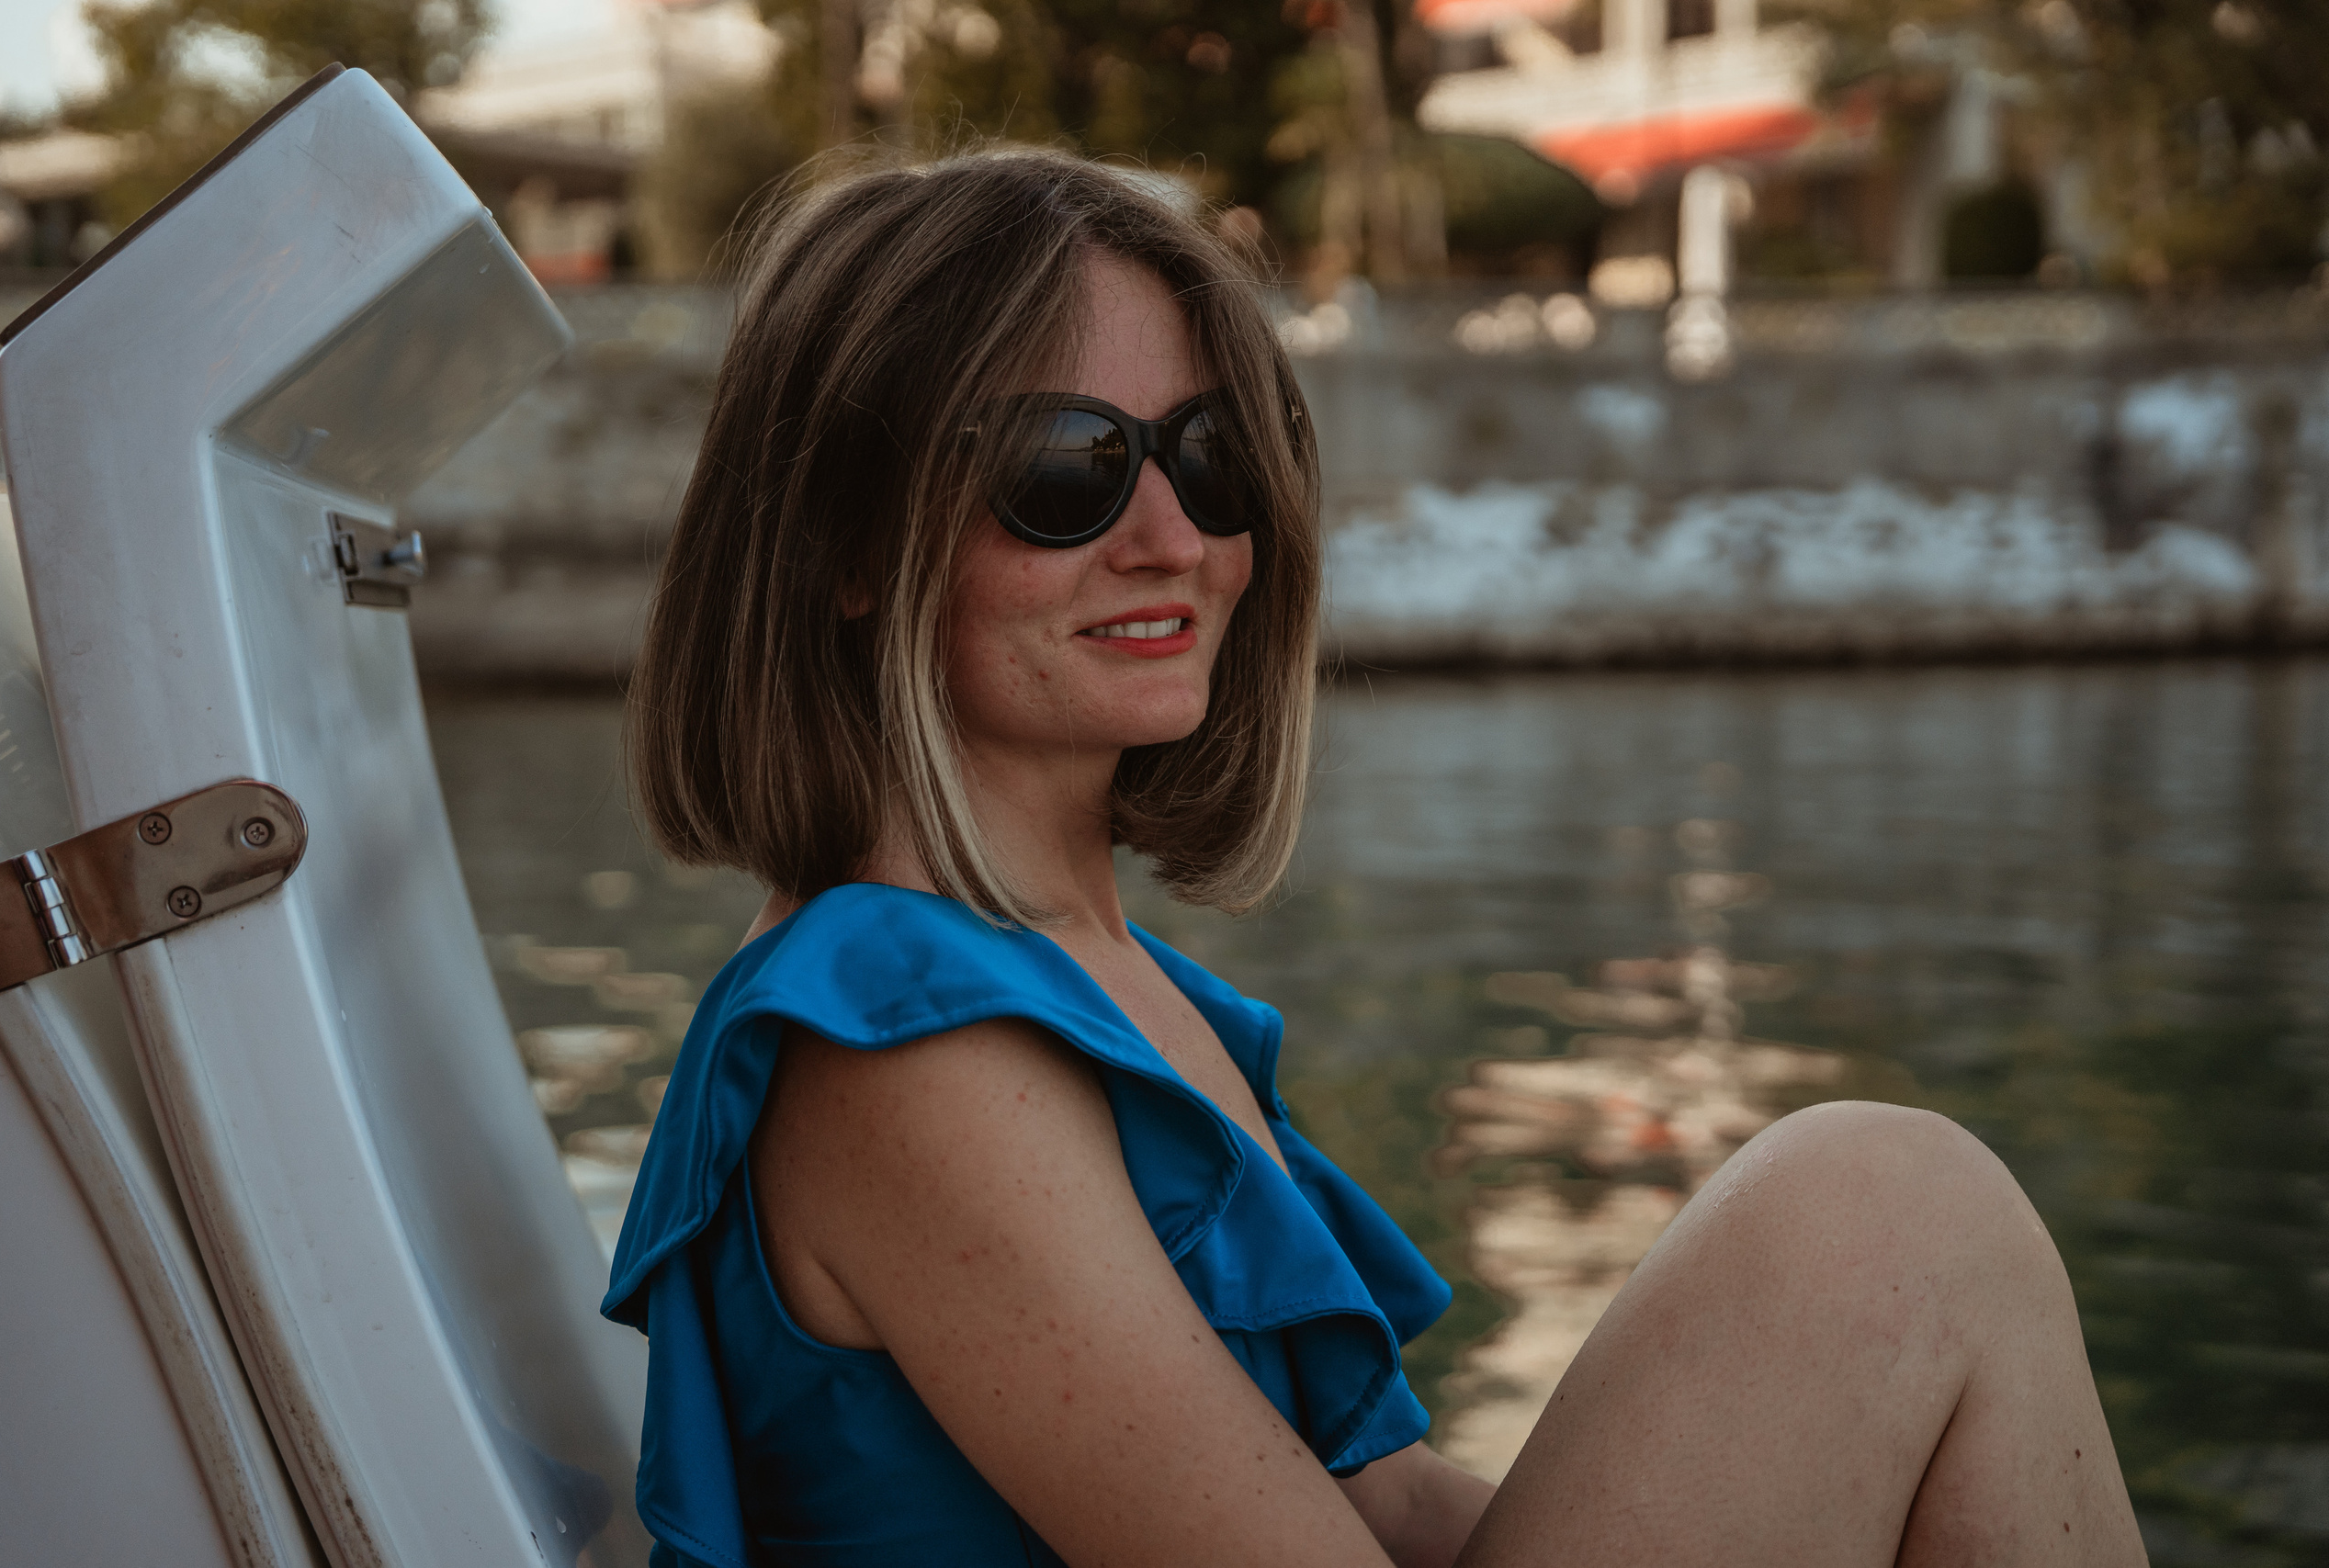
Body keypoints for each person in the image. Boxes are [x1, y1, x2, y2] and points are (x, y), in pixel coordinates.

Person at [604, 147, 2146, 1568]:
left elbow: (1384, 1500)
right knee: (1883, 1211)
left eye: (1208, 456)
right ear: (849, 548)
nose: (1170, 536)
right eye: (1065, 465)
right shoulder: (894, 1037)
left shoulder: (1100, 986)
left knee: (1908, 1220)